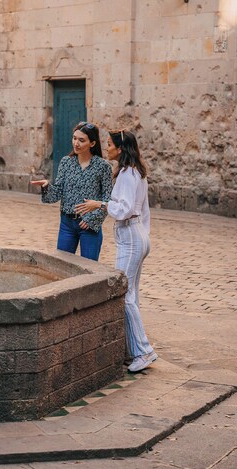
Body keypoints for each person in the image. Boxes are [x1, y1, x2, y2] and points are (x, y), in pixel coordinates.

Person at [76, 129, 157, 373]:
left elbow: (125, 209)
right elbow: (144, 211)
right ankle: (132, 348)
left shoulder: (129, 174)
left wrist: (99, 203)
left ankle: (143, 351)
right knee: (131, 292)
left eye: (110, 144)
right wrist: (143, 236)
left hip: (131, 237)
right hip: (137, 235)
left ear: (120, 149)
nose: (106, 147)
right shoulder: (133, 172)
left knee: (124, 293)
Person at [30, 121, 112, 261]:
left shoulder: (103, 166)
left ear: (92, 143)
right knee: (62, 265)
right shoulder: (66, 162)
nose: (76, 143)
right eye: (74, 138)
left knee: (88, 269)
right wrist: (47, 186)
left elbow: (108, 198)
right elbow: (56, 194)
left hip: (89, 225)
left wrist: (93, 219)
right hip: (67, 224)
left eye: (81, 140)